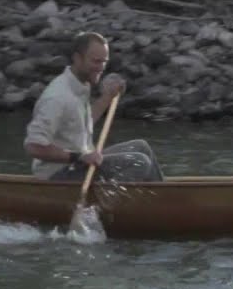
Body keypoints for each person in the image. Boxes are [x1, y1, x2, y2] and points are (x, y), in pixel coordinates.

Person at [23, 31, 165, 182]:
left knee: (141, 147)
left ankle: (165, 196)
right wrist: (78, 157)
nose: (101, 68)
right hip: (58, 175)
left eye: (104, 61)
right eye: (96, 61)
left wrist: (108, 97)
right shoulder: (57, 97)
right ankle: (129, 202)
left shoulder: (80, 85)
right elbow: (34, 146)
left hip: (80, 165)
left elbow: (81, 124)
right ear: (77, 58)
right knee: (139, 162)